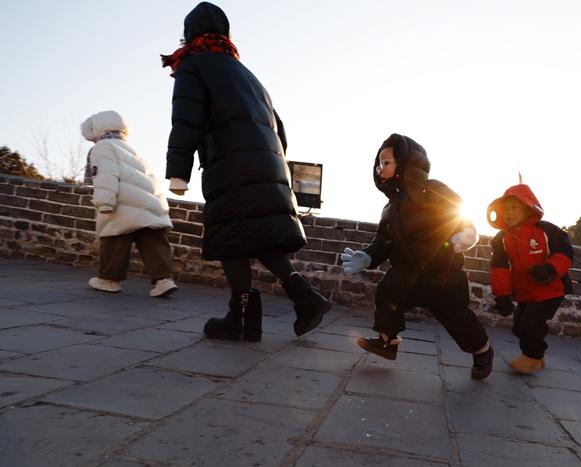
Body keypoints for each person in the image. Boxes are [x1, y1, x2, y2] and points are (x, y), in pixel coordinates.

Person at [161, 2, 330, 342]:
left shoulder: (194, 64)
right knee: (256, 232)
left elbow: (187, 117)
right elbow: (279, 130)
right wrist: (272, 165)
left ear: (189, 34)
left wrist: (178, 172)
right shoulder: (248, 75)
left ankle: (241, 320)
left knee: (232, 236)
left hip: (231, 163)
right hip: (266, 163)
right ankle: (306, 298)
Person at [341, 134, 494, 380]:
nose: (380, 168)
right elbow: (383, 241)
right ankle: (387, 341)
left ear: (405, 162)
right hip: (406, 272)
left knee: (458, 319)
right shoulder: (390, 207)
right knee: (387, 295)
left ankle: (482, 351)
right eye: (378, 163)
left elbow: (456, 211)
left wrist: (466, 233)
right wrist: (367, 256)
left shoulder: (432, 189)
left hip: (442, 272)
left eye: (386, 162)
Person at [81, 110, 178, 297]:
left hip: (121, 203)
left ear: (97, 130)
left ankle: (108, 279)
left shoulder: (103, 147)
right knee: (153, 241)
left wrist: (104, 203)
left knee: (114, 239)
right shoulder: (131, 149)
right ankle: (164, 280)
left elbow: (105, 175)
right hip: (148, 203)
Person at [487, 183, 574, 374]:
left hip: (551, 288)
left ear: (528, 208)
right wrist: (502, 296)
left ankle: (532, 357)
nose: (509, 212)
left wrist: (550, 269)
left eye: (514, 207)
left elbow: (565, 254)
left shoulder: (548, 230)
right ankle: (537, 354)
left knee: (531, 322)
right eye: (506, 209)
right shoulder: (501, 239)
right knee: (519, 326)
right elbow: (499, 268)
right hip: (524, 291)